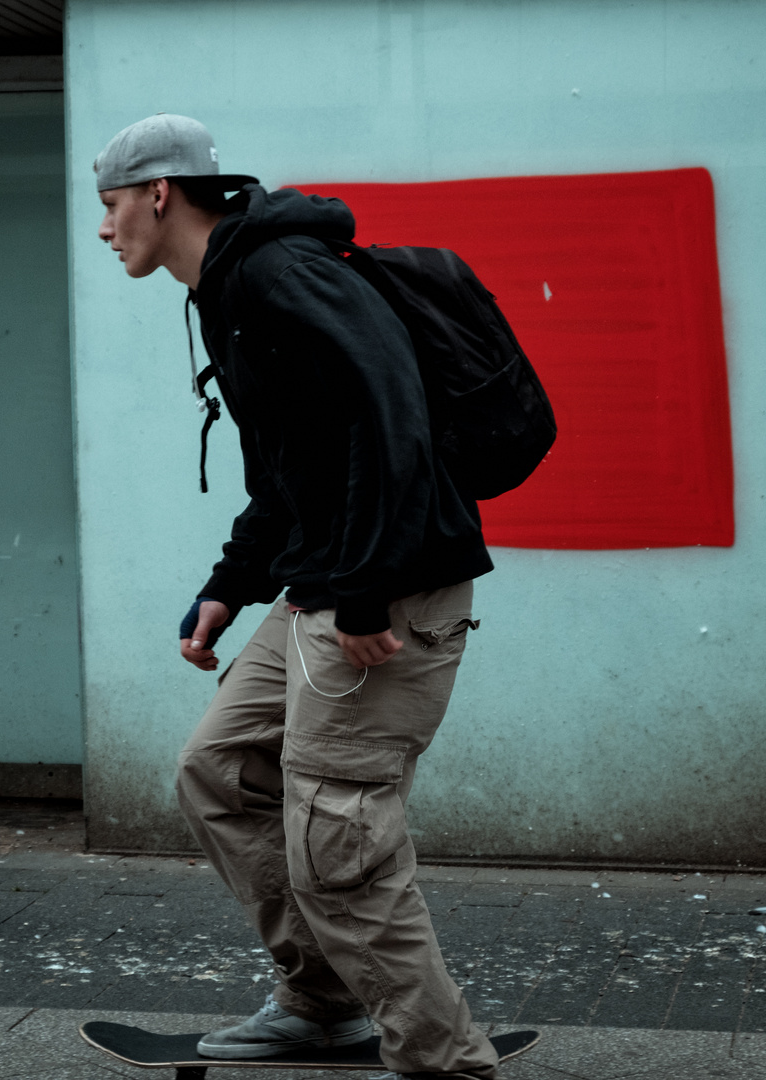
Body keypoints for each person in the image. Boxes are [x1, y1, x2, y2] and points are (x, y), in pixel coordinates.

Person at [94, 114, 498, 1080]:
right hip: (326, 583)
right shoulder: (229, 290)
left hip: (381, 596)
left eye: (108, 207)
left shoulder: (279, 274)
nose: (103, 231)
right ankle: (320, 1004)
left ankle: (446, 1065)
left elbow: (388, 411)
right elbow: (289, 468)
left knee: (338, 841)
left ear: (158, 193)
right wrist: (229, 588)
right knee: (220, 770)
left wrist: (360, 594)